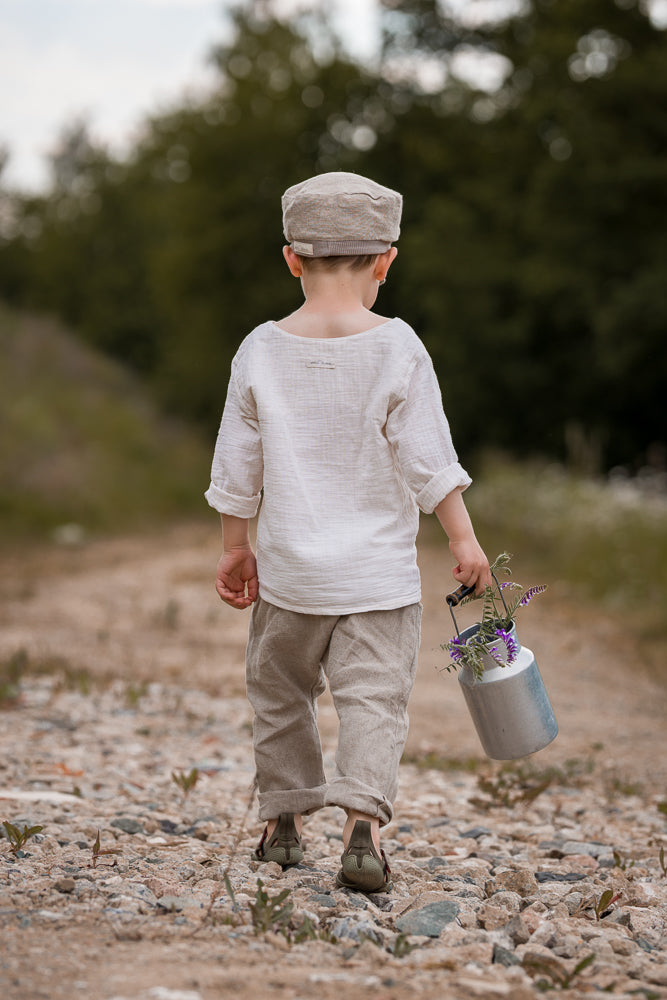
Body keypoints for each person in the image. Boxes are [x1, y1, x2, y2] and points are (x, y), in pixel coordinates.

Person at [205, 171, 491, 893]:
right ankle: (362, 826)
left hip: (290, 577)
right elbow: (429, 458)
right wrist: (462, 539)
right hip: (377, 581)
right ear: (385, 261)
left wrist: (236, 547)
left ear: (291, 259)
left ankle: (282, 823)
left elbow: (237, 465)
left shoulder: (259, 349)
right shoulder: (398, 346)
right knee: (372, 702)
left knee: (280, 696)